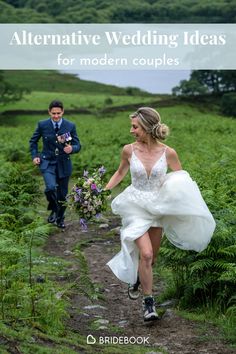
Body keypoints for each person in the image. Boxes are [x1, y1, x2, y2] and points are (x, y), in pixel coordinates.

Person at [105, 107, 216, 322]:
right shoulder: (129, 150)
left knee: (152, 258)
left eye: (135, 127)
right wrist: (103, 191)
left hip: (157, 208)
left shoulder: (169, 153)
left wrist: (179, 201)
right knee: (145, 254)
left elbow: (180, 178)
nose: (131, 130)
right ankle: (149, 305)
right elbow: (120, 172)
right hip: (134, 205)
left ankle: (138, 279)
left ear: (146, 127)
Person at [29, 100, 81, 229]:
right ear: (49, 112)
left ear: (62, 112)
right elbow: (33, 141)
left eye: (58, 113)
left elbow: (78, 145)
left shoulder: (70, 125)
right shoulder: (42, 125)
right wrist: (35, 156)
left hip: (64, 163)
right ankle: (53, 208)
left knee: (62, 194)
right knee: (51, 188)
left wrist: (72, 149)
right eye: (53, 113)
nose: (56, 116)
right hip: (47, 162)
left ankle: (60, 218)